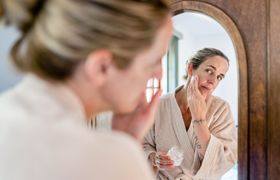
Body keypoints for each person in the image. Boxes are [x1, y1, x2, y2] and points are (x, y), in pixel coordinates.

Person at [0, 0, 173, 179]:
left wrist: (127, 139)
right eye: (154, 62)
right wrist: (126, 149)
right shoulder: (109, 159)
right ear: (101, 67)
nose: (158, 75)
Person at [144, 48, 237, 180]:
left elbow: (224, 160)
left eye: (219, 77)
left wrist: (199, 119)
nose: (213, 81)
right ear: (190, 68)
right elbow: (144, 145)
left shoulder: (221, 109)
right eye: (209, 71)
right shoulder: (160, 105)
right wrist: (154, 158)